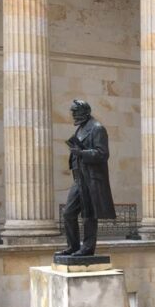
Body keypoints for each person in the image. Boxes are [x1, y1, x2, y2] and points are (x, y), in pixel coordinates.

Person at [56, 99, 116, 257]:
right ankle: (73, 246)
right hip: (79, 178)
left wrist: (81, 153)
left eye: (76, 112)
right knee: (68, 213)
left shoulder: (97, 128)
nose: (73, 115)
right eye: (72, 112)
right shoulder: (81, 128)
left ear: (85, 112)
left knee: (89, 215)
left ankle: (88, 248)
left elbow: (103, 154)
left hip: (91, 178)